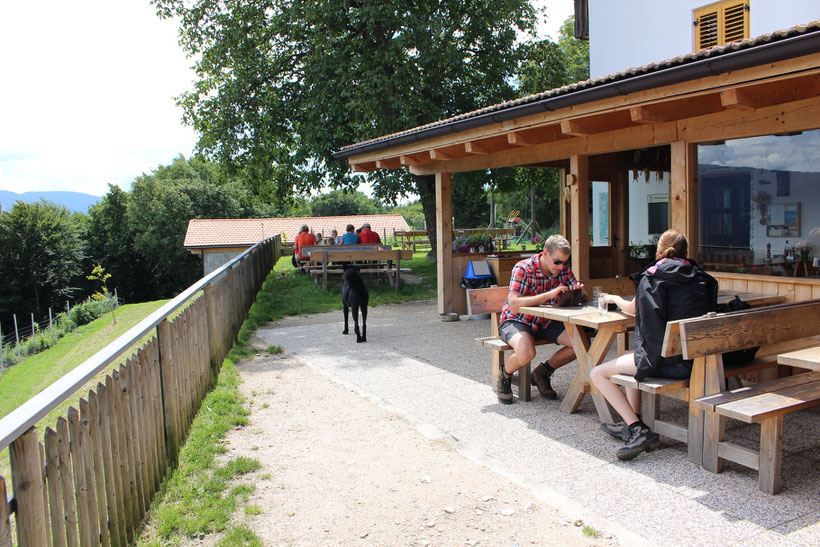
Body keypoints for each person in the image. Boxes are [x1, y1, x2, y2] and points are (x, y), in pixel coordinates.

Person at [590, 229, 717, 461]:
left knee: (597, 373)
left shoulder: (654, 276)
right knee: (631, 354)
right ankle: (633, 420)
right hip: (700, 359)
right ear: (685, 252)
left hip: (670, 363)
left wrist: (616, 300)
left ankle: (638, 430)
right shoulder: (700, 276)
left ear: (659, 251)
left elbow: (635, 309)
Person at [496, 234, 585, 404]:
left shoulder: (563, 269)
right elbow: (514, 305)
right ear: (545, 253)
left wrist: (577, 291)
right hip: (517, 320)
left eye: (565, 262)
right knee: (527, 352)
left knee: (580, 345)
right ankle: (505, 374)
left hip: (546, 320)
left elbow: (579, 293)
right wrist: (548, 295)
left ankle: (542, 372)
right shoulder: (523, 268)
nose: (561, 266)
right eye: (557, 262)